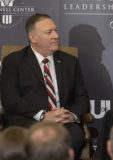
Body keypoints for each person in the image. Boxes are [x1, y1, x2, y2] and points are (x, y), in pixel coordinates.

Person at [0, 13, 90, 158]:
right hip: (28, 121)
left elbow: (82, 98)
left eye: (56, 31)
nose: (56, 36)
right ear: (33, 37)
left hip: (63, 122)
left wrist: (70, 115)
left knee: (75, 136)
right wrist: (43, 116)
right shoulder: (14, 61)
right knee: (37, 139)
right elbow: (10, 100)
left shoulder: (69, 62)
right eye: (49, 32)